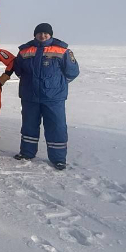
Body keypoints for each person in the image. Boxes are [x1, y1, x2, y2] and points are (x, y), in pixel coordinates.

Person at [12, 23, 79, 170]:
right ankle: (27, 153)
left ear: (50, 35)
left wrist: (58, 85)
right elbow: (18, 70)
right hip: (30, 97)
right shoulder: (25, 51)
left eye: (45, 33)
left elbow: (72, 72)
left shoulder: (62, 50)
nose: (42, 36)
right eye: (39, 33)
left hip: (53, 98)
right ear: (35, 34)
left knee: (56, 127)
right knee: (29, 126)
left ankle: (58, 159)